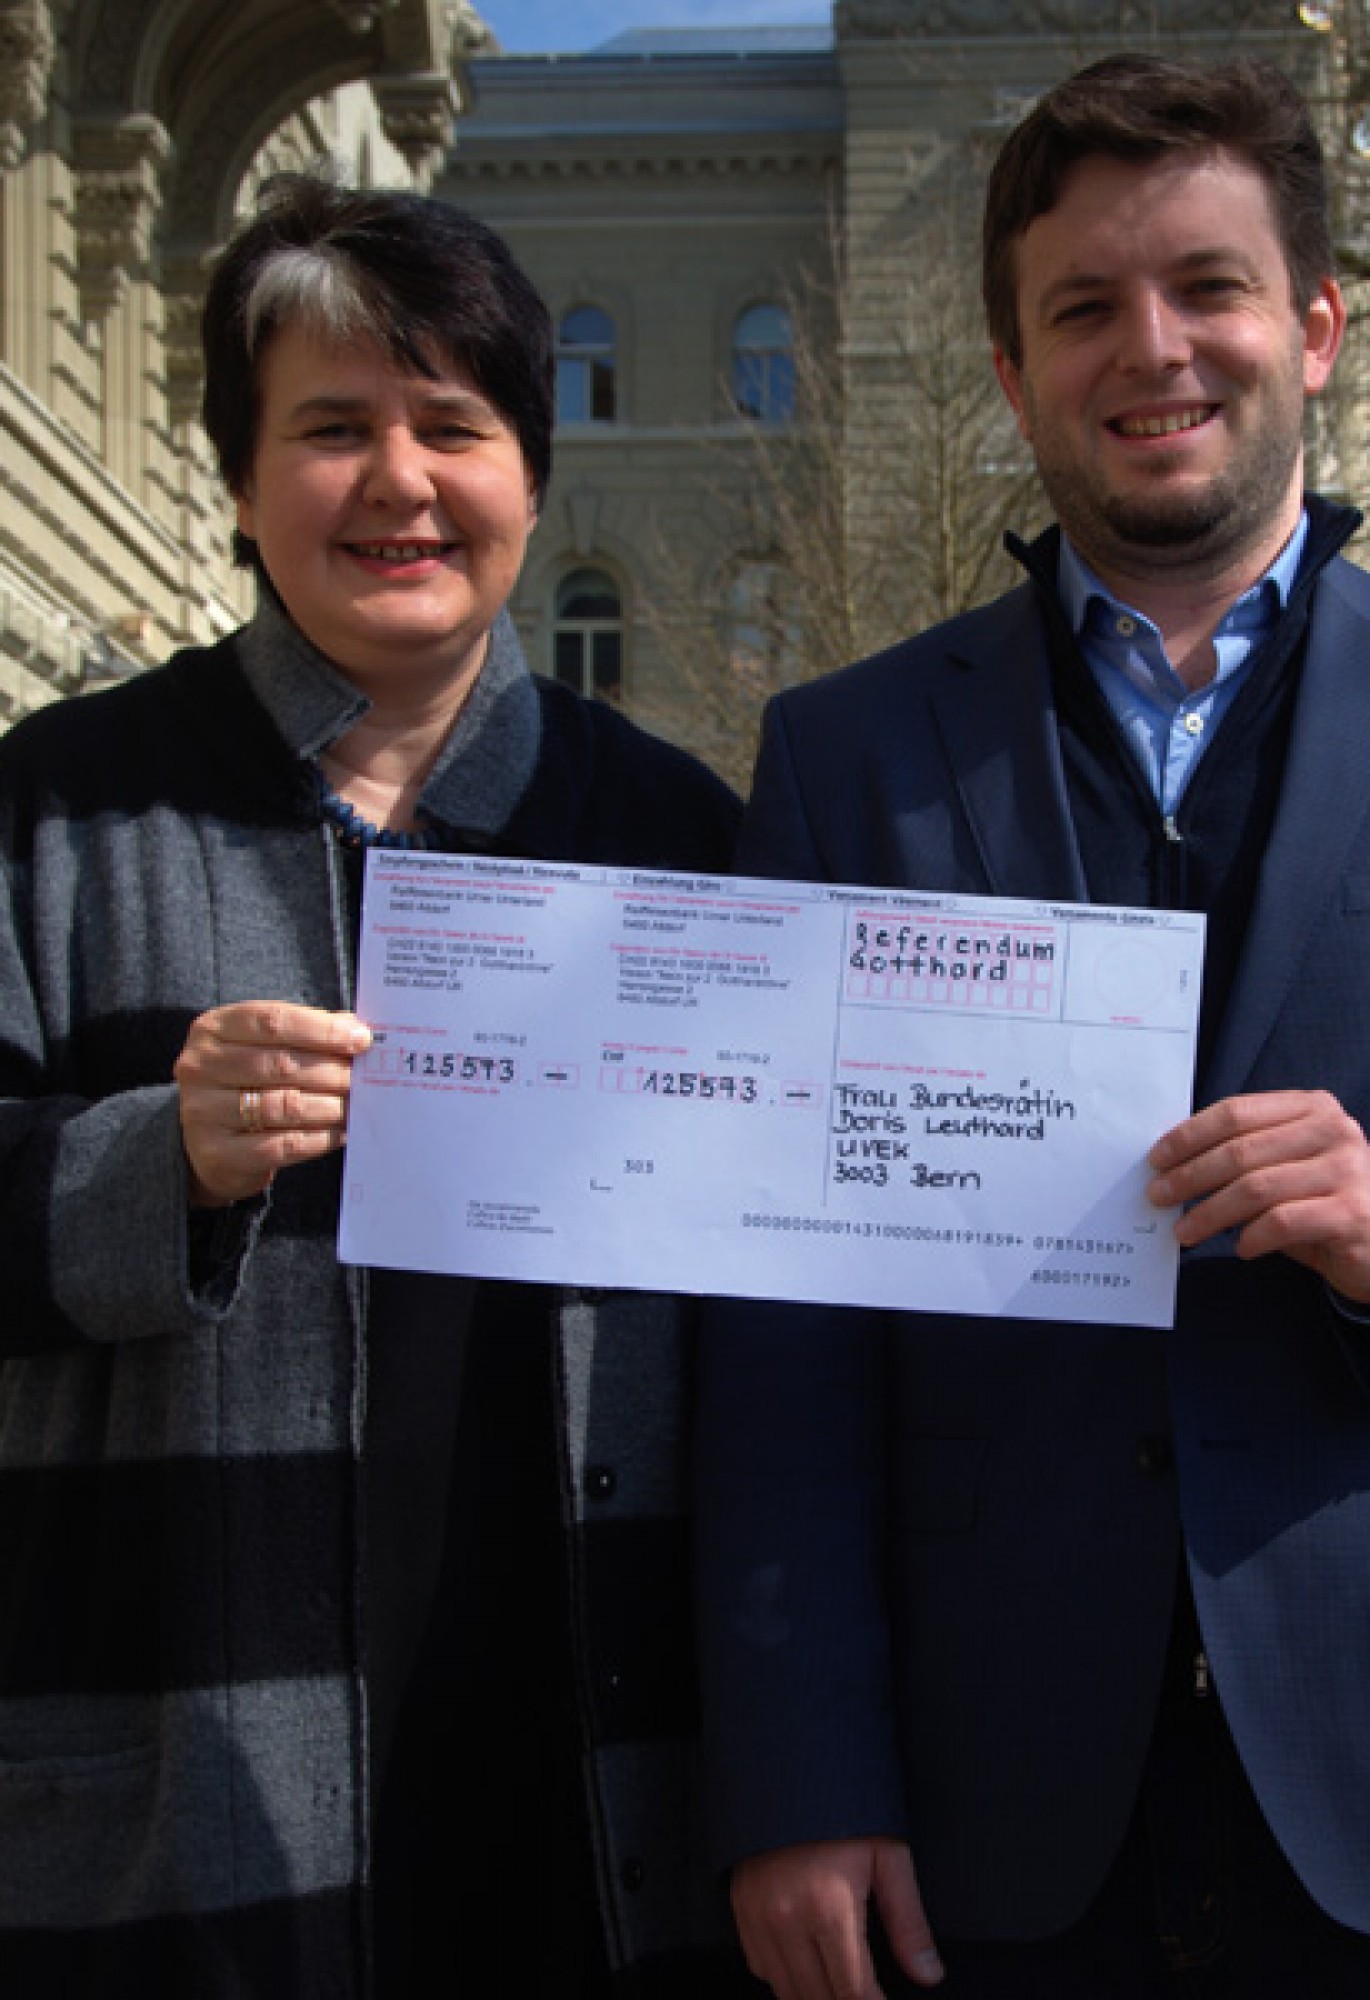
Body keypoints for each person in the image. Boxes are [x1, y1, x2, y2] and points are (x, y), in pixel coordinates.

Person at [695, 53, 1370, 2000]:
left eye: (1204, 286)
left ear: (1313, 326)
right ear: (1013, 370)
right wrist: (798, 1774)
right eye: (1081, 307)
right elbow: (780, 1336)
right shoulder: (845, 759)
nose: (1153, 348)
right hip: (989, 1823)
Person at [0, 177, 758, 1996]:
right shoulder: (58, 811)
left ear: (530, 473)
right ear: (241, 479)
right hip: (179, 1804)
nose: (401, 482)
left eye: (456, 426)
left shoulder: (676, 834)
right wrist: (150, 1163)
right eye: (333, 429)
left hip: (595, 1800)